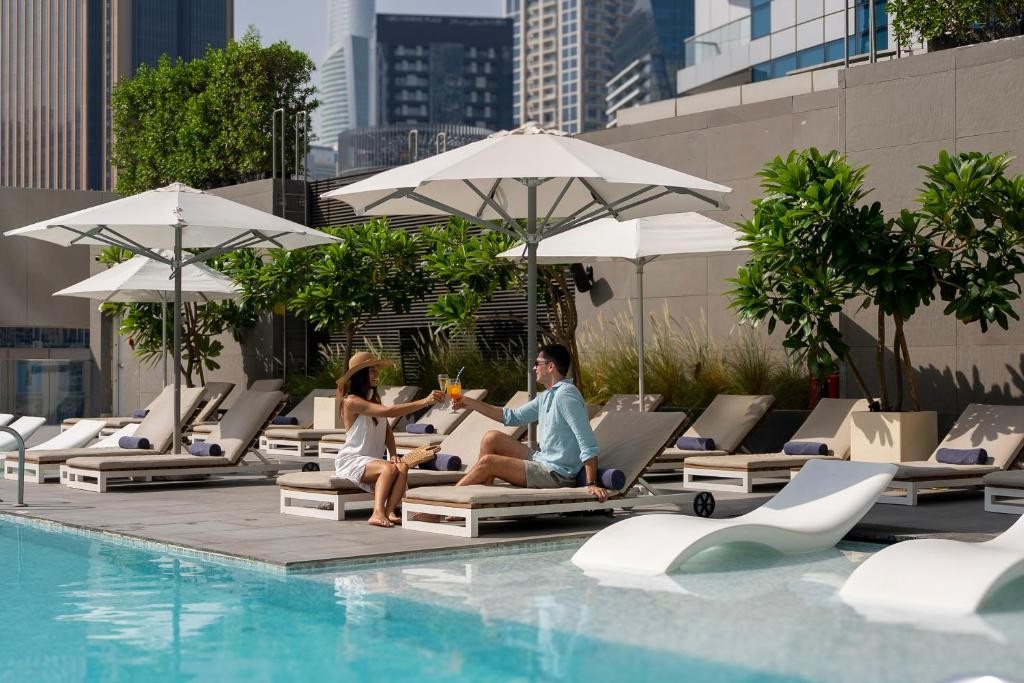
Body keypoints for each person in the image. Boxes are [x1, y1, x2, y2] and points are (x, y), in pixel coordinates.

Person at [455, 343, 609, 503]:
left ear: (551, 366)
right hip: (542, 460)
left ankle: (450, 503)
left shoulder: (566, 396)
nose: (534, 368)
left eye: (537, 363)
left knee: (489, 462)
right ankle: (480, 500)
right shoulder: (547, 395)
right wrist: (469, 402)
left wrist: (591, 483)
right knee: (491, 438)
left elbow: (587, 442)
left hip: (557, 474)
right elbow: (512, 417)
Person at [335, 351, 443, 528]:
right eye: (371, 370)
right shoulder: (351, 401)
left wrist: (393, 454)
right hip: (352, 460)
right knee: (387, 468)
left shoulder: (374, 399)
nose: (376, 374)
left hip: (372, 461)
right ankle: (377, 513)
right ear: (360, 375)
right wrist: (425, 401)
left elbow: (387, 431)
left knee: (401, 466)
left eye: (376, 370)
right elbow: (389, 412)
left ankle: (389, 511)